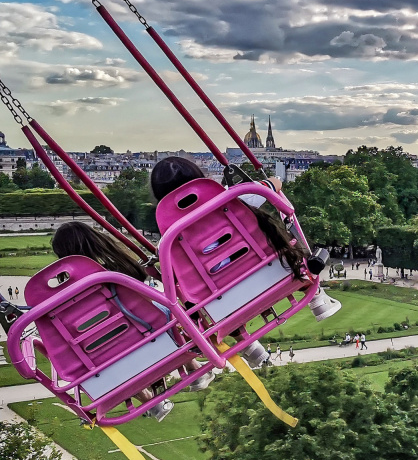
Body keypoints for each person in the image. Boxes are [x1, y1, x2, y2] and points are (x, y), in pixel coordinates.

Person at [150, 156, 314, 368]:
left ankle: (246, 344)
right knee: (285, 238)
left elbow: (175, 280)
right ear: (200, 179)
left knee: (196, 292)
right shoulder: (235, 197)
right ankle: (318, 299)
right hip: (271, 271)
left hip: (222, 300)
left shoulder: (168, 241)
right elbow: (275, 184)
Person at [51, 222, 215, 422]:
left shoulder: (61, 296)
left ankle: (149, 400)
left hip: (103, 357)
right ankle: (193, 367)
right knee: (161, 309)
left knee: (98, 356)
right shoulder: (113, 271)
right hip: (143, 338)